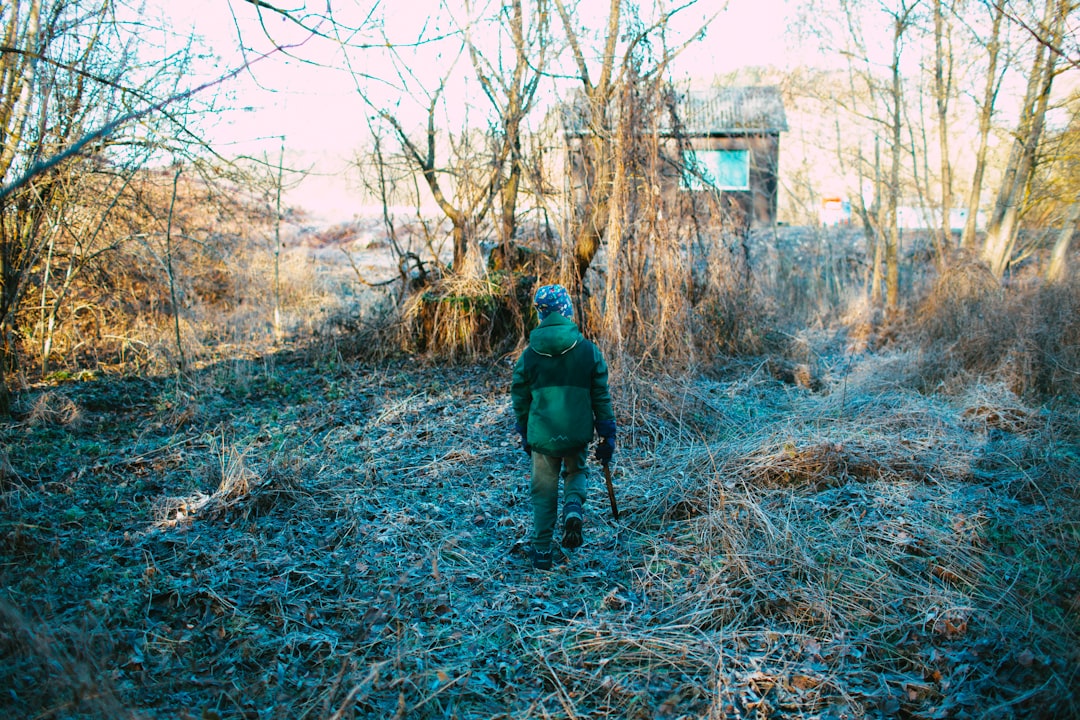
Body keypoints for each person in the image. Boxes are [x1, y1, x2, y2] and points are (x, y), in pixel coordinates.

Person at [511, 284, 616, 570]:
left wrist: (524, 430)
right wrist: (606, 432)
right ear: (567, 310)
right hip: (576, 434)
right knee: (576, 471)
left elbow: (519, 396)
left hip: (543, 437)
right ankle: (573, 507)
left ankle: (542, 552)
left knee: (543, 491)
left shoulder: (529, 356)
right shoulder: (588, 351)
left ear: (540, 314)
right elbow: (601, 395)